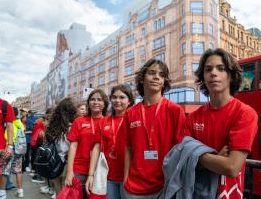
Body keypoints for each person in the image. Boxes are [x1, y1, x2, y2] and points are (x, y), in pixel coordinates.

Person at [185, 48, 258, 198]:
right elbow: (182, 159)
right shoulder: (192, 117)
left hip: (228, 194)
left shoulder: (244, 113)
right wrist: (216, 157)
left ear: (230, 76)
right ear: (203, 77)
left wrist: (195, 155)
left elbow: (231, 167)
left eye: (221, 68)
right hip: (195, 193)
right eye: (208, 69)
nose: (213, 73)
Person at [117, 59, 187, 198]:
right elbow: (128, 149)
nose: (156, 77)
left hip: (164, 187)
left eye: (161, 75)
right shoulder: (131, 113)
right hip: (133, 189)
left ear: (164, 82)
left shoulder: (175, 111)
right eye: (152, 73)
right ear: (142, 78)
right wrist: (125, 180)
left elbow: (180, 150)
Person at [85, 85, 134, 198]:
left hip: (130, 176)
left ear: (129, 101)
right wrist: (91, 175)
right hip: (108, 175)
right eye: (114, 97)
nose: (117, 101)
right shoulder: (104, 121)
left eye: (122, 97)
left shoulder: (134, 120)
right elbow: (97, 148)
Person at [65, 89, 108, 199]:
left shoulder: (108, 121)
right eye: (92, 99)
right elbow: (73, 146)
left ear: (105, 103)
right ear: (88, 103)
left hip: (100, 170)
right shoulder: (79, 121)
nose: (95, 102)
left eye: (99, 100)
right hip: (79, 169)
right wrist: (70, 172)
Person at [45, 98, 77, 196]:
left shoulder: (52, 126)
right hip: (67, 164)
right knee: (67, 193)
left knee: (59, 192)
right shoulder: (74, 126)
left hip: (53, 162)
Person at [0, 107, 25, 198]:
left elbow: (7, 137)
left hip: (9, 149)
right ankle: (20, 191)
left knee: (4, 171)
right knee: (18, 170)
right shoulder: (19, 123)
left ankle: (2, 192)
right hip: (19, 150)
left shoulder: (10, 124)